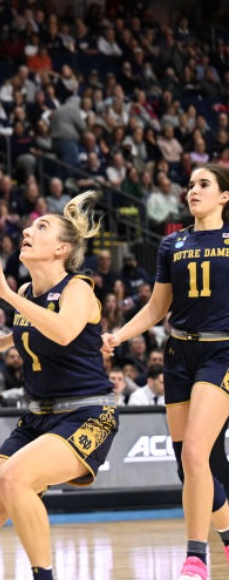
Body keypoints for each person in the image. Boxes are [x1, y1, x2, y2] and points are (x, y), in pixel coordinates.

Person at [0, 191, 117, 580]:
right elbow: (33, 325)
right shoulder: (28, 294)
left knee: (14, 478)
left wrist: (5, 294)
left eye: (41, 227)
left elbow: (61, 331)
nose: (28, 230)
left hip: (87, 414)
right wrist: (4, 340)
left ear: (61, 247)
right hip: (37, 418)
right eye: (30, 225)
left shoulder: (79, 288)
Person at [103, 166, 229, 580]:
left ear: (224, 196)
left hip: (222, 352)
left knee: (195, 452)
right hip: (179, 353)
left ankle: (196, 558)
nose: (193, 190)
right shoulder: (172, 243)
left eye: (204, 184)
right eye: (191, 185)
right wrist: (119, 335)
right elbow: (157, 308)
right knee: (190, 465)